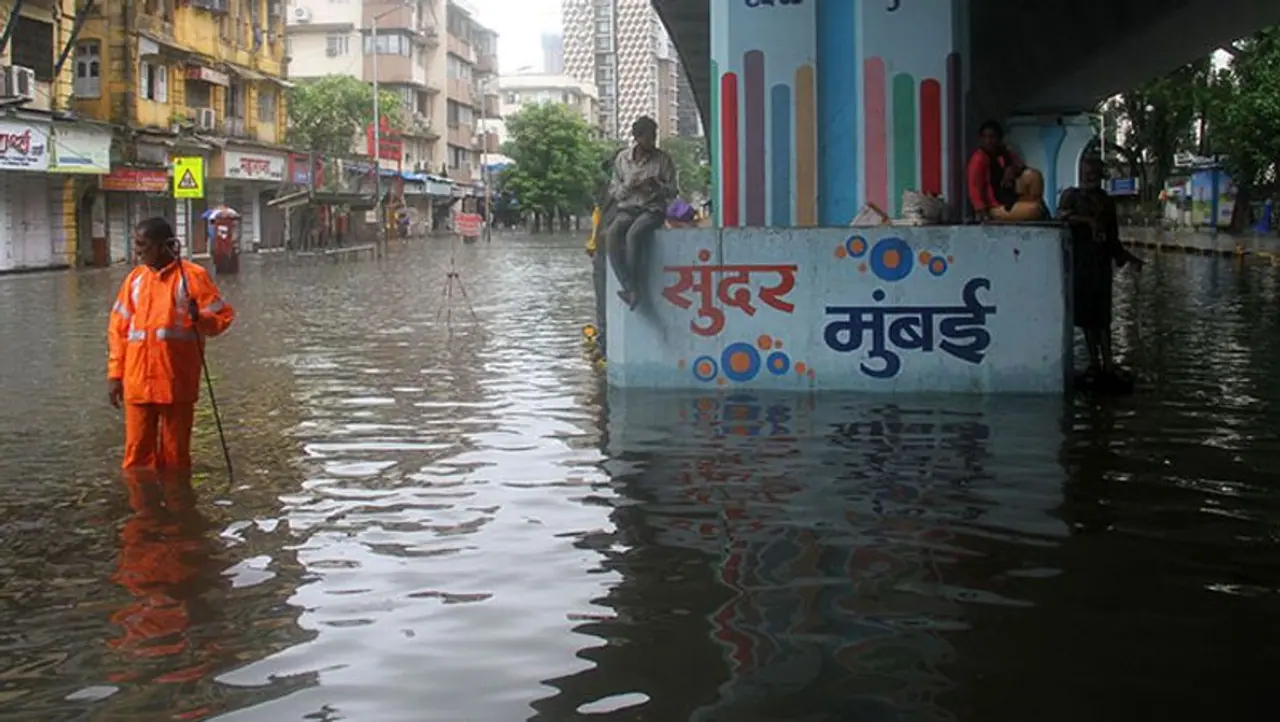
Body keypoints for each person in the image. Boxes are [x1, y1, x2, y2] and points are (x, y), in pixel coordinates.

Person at [107, 217, 236, 480]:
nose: (138, 251)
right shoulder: (135, 280)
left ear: (165, 246)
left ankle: (177, 509)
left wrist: (200, 318)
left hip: (176, 384)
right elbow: (118, 332)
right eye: (136, 244)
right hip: (137, 383)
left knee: (175, 458)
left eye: (143, 245)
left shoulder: (192, 278)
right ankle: (144, 512)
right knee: (136, 459)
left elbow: (222, 318)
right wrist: (114, 375)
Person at [1057, 156, 1144, 381]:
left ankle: (1108, 363)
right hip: (1080, 264)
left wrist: (1128, 257)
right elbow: (1061, 218)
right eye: (1086, 171)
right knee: (1086, 317)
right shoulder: (1071, 196)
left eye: (1094, 171)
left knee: (1102, 316)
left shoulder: (1106, 201)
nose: (1090, 175)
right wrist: (1087, 221)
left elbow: (1113, 239)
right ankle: (1094, 362)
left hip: (1101, 264)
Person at [605, 116, 679, 309]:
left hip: (652, 208)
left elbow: (673, 191)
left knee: (634, 234)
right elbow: (614, 192)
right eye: (648, 137)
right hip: (628, 207)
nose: (652, 141)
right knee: (612, 235)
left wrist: (656, 188)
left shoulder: (663, 159)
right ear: (637, 137)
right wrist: (630, 185)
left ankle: (636, 286)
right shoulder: (622, 159)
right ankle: (629, 287)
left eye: (654, 136)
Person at [967, 120, 1047, 222]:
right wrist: (981, 212)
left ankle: (1034, 206)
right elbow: (974, 188)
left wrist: (1012, 171)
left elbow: (1021, 167)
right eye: (985, 137)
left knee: (1034, 175)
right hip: (995, 206)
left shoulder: (1004, 153)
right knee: (1035, 210)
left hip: (1012, 198)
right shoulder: (979, 159)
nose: (988, 141)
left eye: (992, 137)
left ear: (999, 139)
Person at [586, 155, 619, 358]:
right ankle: (605, 344)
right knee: (603, 301)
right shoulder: (604, 199)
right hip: (602, 252)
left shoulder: (625, 194)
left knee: (608, 300)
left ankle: (606, 344)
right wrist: (592, 245)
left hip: (614, 252)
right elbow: (598, 226)